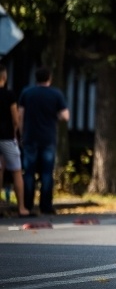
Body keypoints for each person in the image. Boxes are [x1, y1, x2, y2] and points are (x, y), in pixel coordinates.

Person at [18, 67, 70, 215]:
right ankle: (46, 206)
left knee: (29, 172)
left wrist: (22, 134)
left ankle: (27, 205)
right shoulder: (56, 94)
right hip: (48, 138)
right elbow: (65, 116)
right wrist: (55, 116)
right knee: (47, 173)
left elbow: (20, 115)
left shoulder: (27, 93)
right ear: (49, 78)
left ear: (36, 78)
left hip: (30, 136)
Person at [0, 64, 26, 216]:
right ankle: (21, 207)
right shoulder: (9, 95)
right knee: (16, 170)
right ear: (4, 77)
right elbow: (15, 118)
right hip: (7, 137)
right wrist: (15, 130)